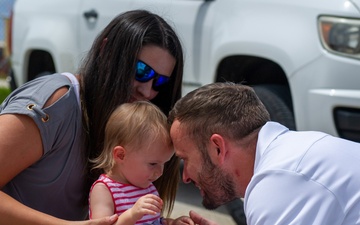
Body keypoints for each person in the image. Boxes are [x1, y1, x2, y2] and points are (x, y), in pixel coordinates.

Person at [0, 9, 184, 224]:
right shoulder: (55, 101)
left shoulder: (125, 125)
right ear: (106, 51)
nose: (147, 91)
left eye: (160, 82)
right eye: (141, 70)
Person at [168, 82, 360, 225]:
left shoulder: (277, 181)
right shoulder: (293, 155)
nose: (184, 177)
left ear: (217, 147)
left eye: (184, 158)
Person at [89, 101, 193, 225]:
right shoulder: (104, 190)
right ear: (121, 155)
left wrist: (171, 222)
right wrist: (132, 215)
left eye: (164, 163)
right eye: (153, 164)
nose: (160, 172)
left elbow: (153, 221)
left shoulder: (146, 186)